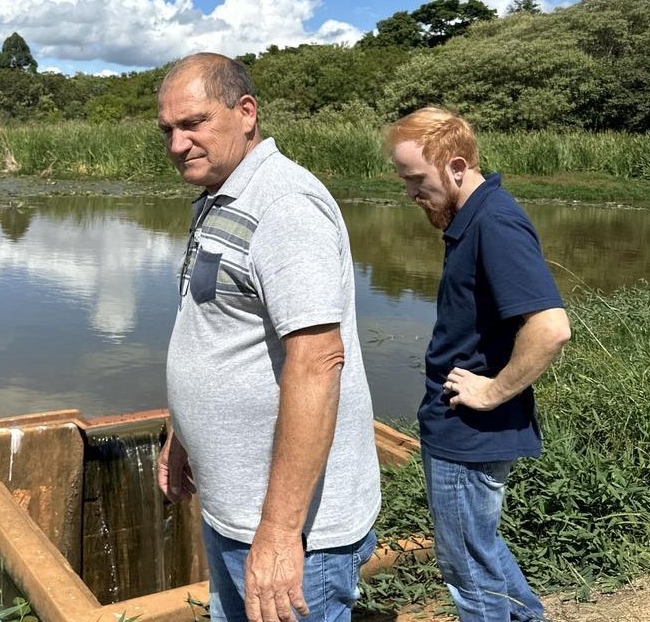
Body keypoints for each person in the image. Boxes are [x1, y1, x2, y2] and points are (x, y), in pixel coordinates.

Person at [156, 52, 381, 622]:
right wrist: (182, 432)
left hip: (296, 532)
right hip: (236, 511)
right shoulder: (224, 193)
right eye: (169, 130)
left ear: (246, 112)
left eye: (194, 124)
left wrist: (281, 533)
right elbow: (216, 332)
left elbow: (317, 361)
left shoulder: (284, 206)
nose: (178, 144)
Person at [386, 107, 571, 622]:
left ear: (457, 165)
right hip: (463, 429)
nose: (411, 193)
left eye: (417, 180)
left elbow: (551, 327)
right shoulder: (476, 217)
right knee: (479, 553)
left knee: (468, 570)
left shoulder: (496, 221)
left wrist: (491, 391)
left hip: (470, 433)